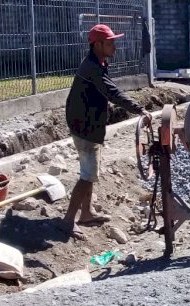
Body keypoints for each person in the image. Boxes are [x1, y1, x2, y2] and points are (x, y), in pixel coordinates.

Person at [63, 24, 152, 239]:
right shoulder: (93, 68)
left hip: (89, 124)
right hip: (84, 126)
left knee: (90, 172)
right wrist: (139, 109)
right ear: (97, 45)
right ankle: (67, 221)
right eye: (110, 42)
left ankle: (86, 212)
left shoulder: (99, 63)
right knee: (87, 175)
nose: (115, 45)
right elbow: (111, 92)